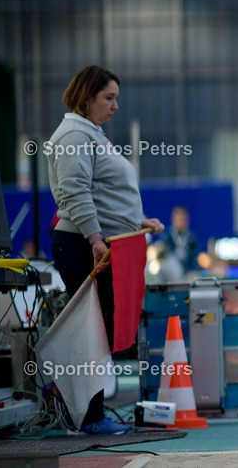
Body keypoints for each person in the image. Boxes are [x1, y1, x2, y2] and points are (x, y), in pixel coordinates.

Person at [46, 65, 164, 434]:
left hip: (101, 243)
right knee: (91, 332)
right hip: (83, 245)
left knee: (100, 329)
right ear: (87, 99)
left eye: (116, 98)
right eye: (108, 98)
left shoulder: (91, 134)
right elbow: (75, 193)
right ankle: (87, 415)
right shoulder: (73, 136)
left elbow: (104, 194)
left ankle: (78, 407)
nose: (115, 106)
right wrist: (96, 240)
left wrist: (136, 222)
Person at [159, 205, 199, 276]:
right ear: (173, 220)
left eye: (182, 219)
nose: (180, 222)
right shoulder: (167, 237)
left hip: (188, 272)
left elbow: (195, 258)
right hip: (171, 272)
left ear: (186, 220)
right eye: (178, 219)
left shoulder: (192, 238)